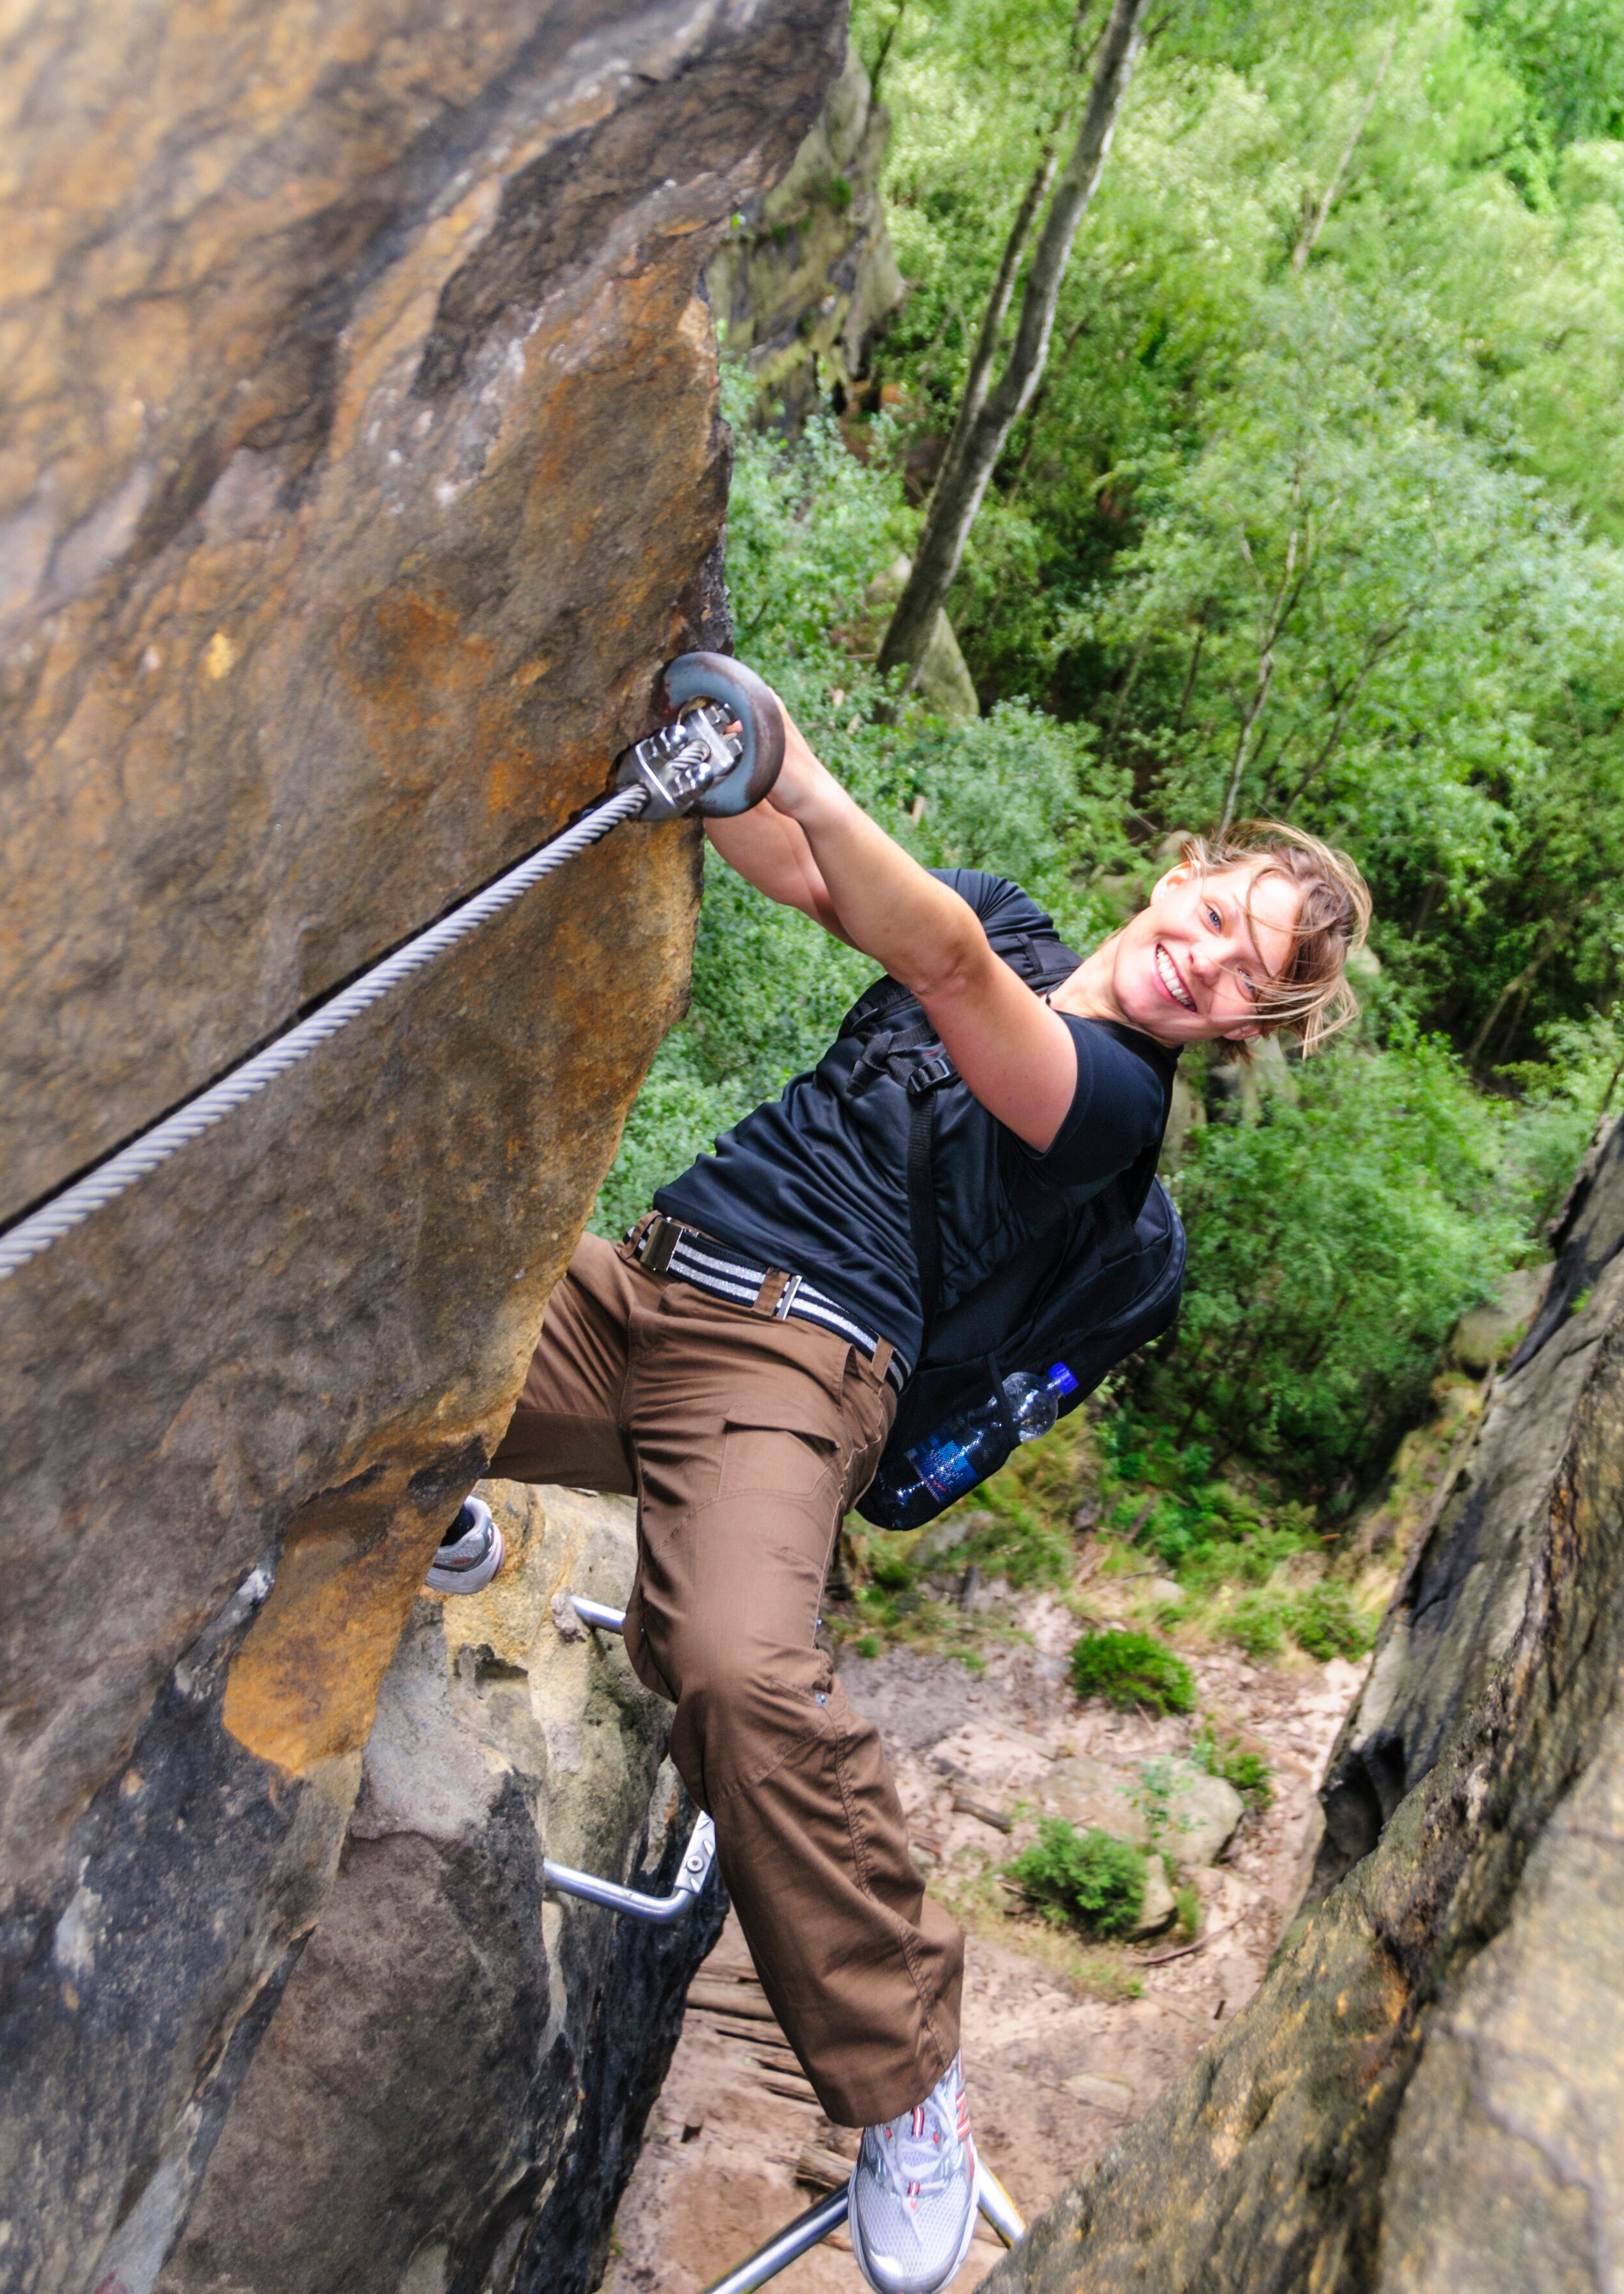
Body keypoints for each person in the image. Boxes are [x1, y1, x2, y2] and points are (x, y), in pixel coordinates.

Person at [427, 699, 1370, 2294]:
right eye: (1216, 917)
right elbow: (798, 870)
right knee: (379, 1375)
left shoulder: (1114, 1111)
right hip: (648, 1282)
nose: (1206, 961)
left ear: (1242, 1031)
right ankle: (430, 1506)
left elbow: (934, 960)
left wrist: (792, 755)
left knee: (731, 1668)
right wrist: (715, 760)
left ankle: (906, 2077)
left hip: (797, 1358)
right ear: (1177, 873)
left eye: (1245, 979)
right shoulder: (1007, 910)